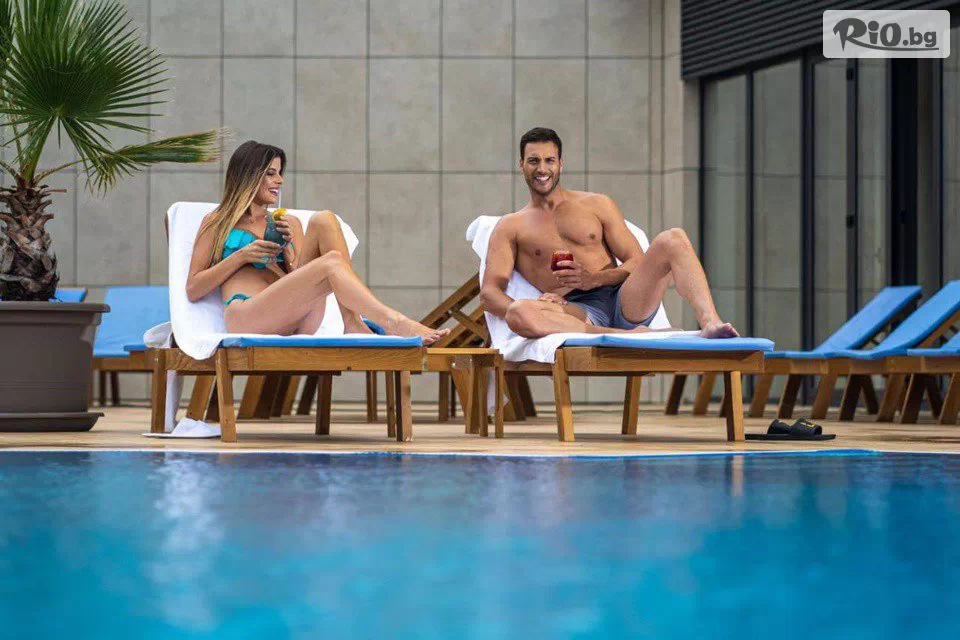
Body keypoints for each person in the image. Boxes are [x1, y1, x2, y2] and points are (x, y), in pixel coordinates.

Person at [480, 127, 738, 339]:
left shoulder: (596, 204)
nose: (542, 169)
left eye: (550, 160)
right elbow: (490, 294)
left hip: (626, 298)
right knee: (518, 312)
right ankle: (624, 336)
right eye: (533, 161)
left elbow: (636, 261)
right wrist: (539, 307)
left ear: (561, 164)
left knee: (673, 238)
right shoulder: (510, 226)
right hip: (575, 311)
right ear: (521, 164)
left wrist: (593, 279)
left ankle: (710, 322)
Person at [186, 140, 448, 344]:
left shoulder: (286, 222)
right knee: (331, 261)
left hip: (297, 315)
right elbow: (194, 288)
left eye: (280, 173)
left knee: (324, 219)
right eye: (271, 173)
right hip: (248, 316)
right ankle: (394, 322)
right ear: (249, 175)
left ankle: (352, 321)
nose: (279, 181)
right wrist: (241, 256)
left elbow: (300, 277)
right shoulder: (218, 221)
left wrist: (288, 248)